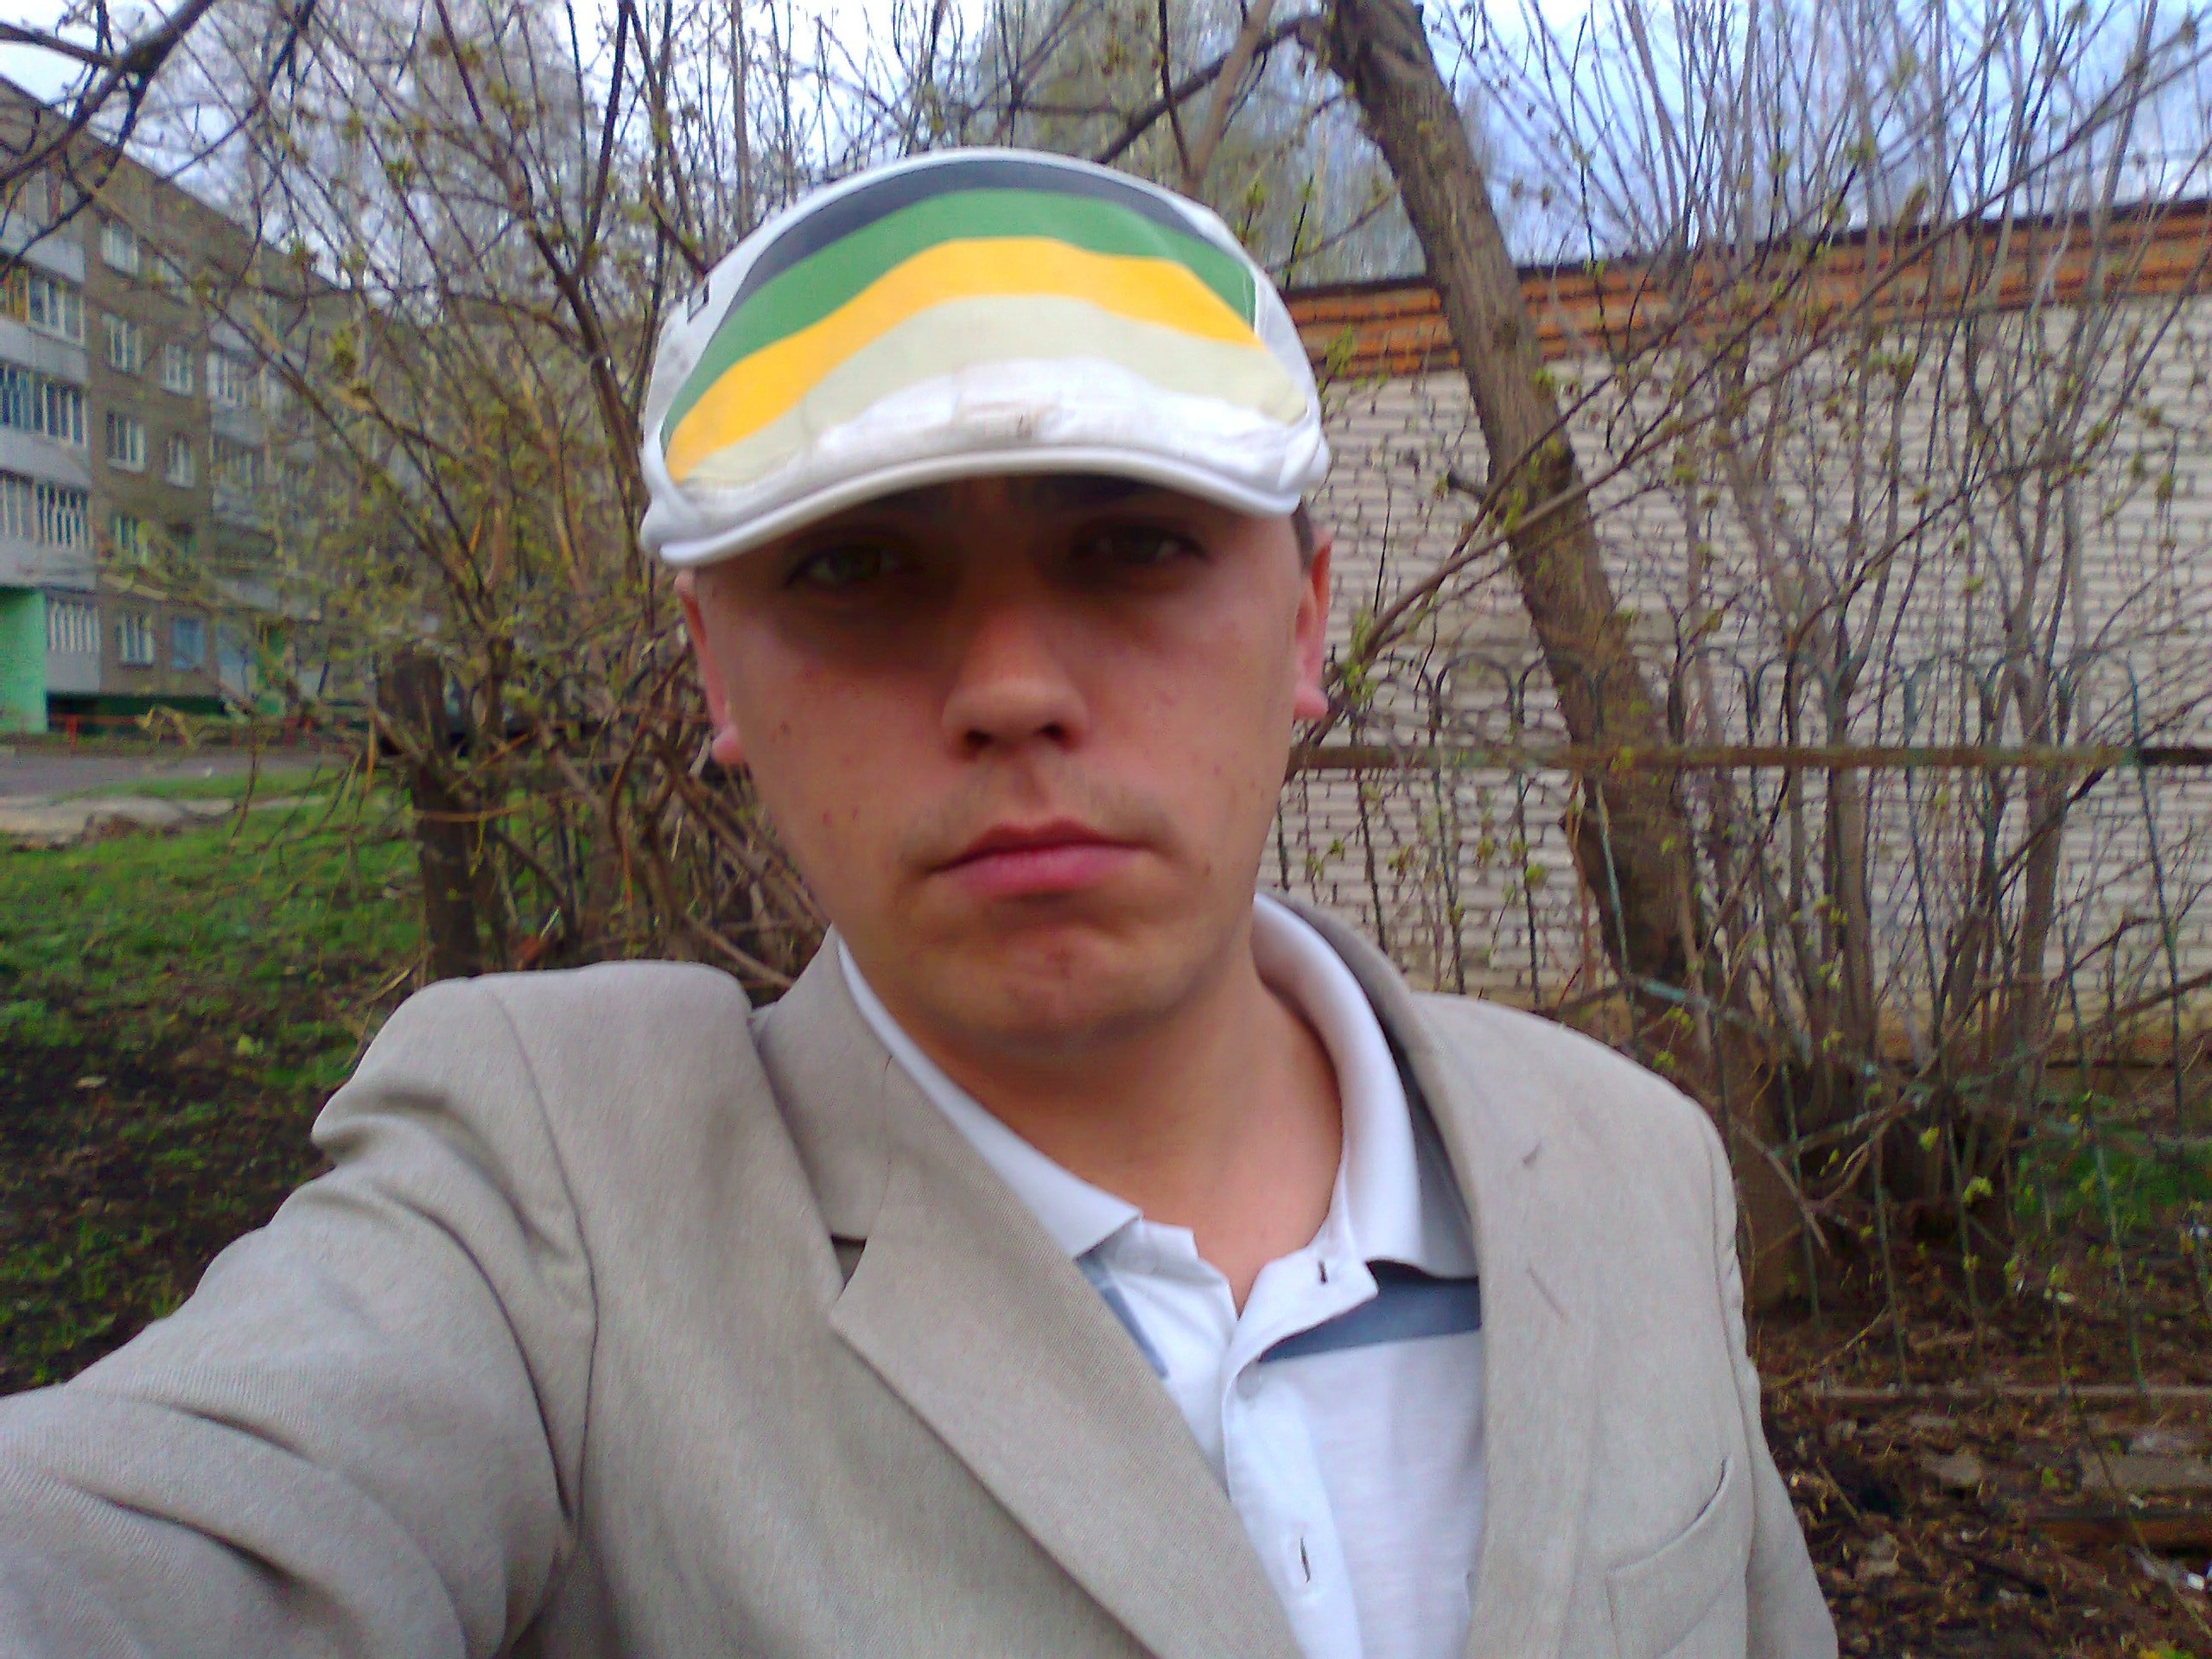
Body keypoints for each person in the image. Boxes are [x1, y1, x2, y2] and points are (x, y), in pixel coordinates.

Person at [0, 149, 1835, 1659]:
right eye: (859, 568)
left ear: (1304, 622)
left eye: (1130, 543)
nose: (1010, 686)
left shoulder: (1628, 1167)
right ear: (714, 669)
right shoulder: (552, 1217)